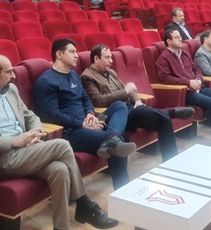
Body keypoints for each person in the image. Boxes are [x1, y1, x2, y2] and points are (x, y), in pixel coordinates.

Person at [0, 54, 118, 230]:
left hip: (28, 149)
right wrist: (13, 141)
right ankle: (84, 205)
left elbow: (30, 116)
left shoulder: (11, 90)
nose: (14, 76)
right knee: (63, 144)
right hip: (2, 159)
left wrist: (36, 131)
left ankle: (61, 227)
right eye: (9, 72)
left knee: (60, 170)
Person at [33, 39, 137, 190]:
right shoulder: (46, 81)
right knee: (119, 142)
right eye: (72, 52)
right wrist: (81, 124)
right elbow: (51, 115)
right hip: (70, 132)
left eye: (76, 52)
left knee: (119, 106)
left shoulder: (74, 75)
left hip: (87, 122)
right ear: (59, 54)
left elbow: (85, 98)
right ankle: (123, 190)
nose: (76, 55)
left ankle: (112, 137)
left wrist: (90, 114)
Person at [81, 44, 194, 165]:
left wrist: (138, 101)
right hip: (117, 118)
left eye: (111, 57)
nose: (111, 61)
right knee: (142, 111)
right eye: (107, 57)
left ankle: (171, 162)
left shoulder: (111, 72)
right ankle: (169, 112)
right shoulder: (87, 77)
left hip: (131, 109)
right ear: (96, 58)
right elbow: (98, 100)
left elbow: (129, 90)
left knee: (163, 120)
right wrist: (126, 92)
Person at [156, 28, 211, 151]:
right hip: (185, 92)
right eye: (177, 37)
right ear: (168, 41)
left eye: (180, 36)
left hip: (199, 87)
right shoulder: (163, 58)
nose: (180, 39)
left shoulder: (185, 54)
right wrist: (188, 82)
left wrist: (198, 80)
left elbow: (197, 69)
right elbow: (166, 78)